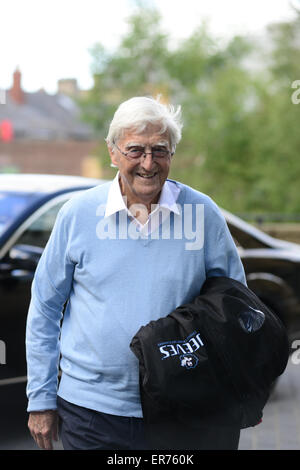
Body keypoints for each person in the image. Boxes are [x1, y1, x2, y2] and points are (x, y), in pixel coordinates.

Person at [26, 96, 246, 450]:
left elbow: (234, 308)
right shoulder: (78, 214)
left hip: (182, 409)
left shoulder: (202, 214)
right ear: (113, 153)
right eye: (135, 150)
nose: (148, 163)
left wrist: (243, 386)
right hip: (90, 411)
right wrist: (40, 398)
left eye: (160, 150)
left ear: (172, 155)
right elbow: (45, 308)